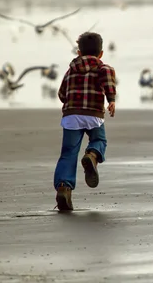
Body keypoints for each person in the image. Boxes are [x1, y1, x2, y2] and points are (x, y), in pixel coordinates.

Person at [54, 32, 117, 211]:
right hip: (93, 115)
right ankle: (92, 155)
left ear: (79, 52)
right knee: (99, 140)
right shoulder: (104, 68)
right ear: (101, 53)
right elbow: (108, 83)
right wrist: (111, 100)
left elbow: (61, 94)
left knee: (68, 153)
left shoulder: (71, 70)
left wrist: (72, 101)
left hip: (71, 116)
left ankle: (64, 188)